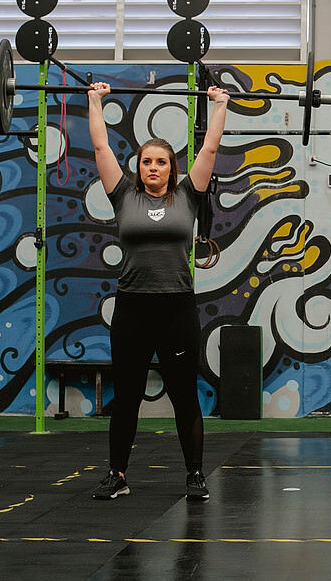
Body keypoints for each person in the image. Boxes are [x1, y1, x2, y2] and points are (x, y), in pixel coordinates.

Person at [88, 82, 229, 501]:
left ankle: (195, 476)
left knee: (184, 396)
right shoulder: (123, 197)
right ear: (139, 167)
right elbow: (100, 149)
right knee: (127, 396)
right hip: (132, 308)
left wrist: (219, 105)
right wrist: (95, 101)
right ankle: (117, 475)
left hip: (175, 309)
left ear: (172, 168)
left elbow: (209, 150)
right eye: (147, 161)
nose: (153, 167)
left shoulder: (187, 196)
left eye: (162, 162)